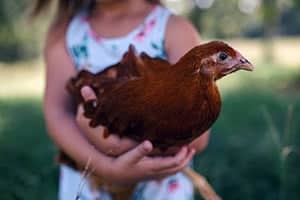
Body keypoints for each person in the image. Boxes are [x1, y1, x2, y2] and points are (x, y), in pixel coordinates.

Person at [33, 0, 210, 199]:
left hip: (159, 188)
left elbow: (198, 134)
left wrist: (120, 148)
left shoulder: (175, 30)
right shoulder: (66, 33)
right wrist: (107, 167)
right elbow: (58, 113)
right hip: (89, 182)